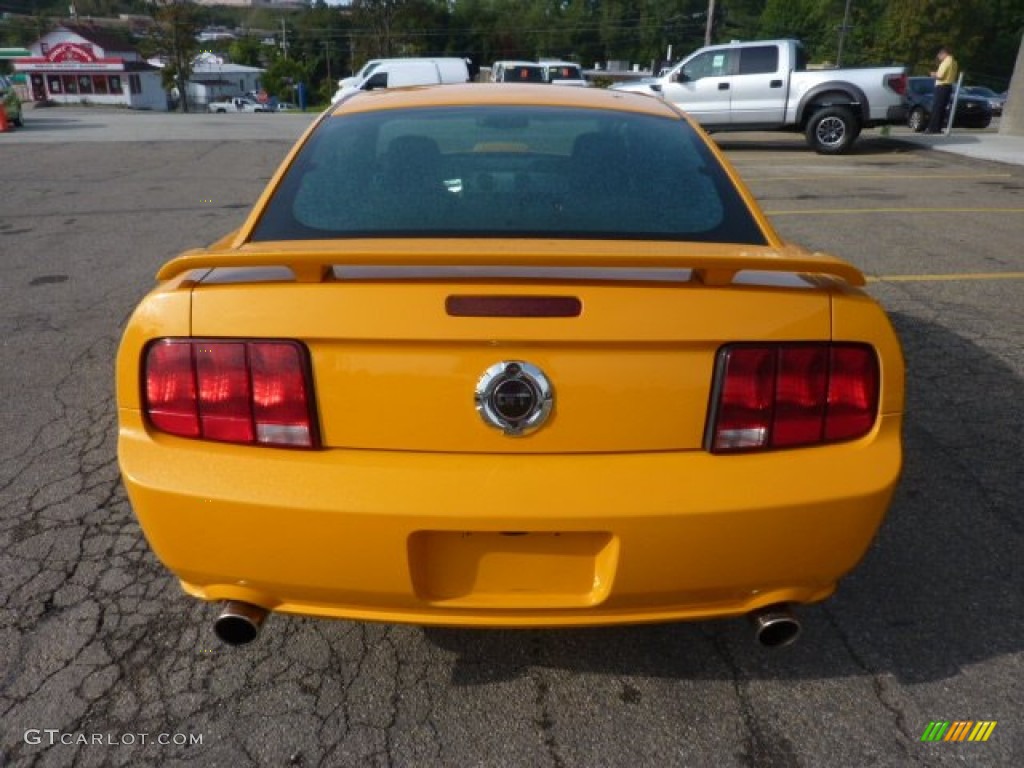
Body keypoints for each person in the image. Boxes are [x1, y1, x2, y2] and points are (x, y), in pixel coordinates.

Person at [926, 46, 958, 134]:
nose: (939, 58)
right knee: (942, 108)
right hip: (949, 86)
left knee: (936, 108)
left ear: (943, 54)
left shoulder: (946, 62)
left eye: (939, 56)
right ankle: (938, 128)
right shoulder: (954, 62)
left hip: (941, 87)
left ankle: (932, 128)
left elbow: (940, 76)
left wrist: (933, 74)